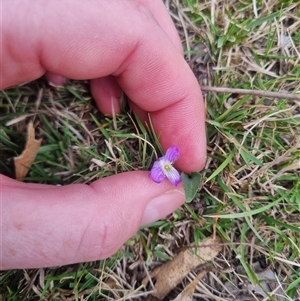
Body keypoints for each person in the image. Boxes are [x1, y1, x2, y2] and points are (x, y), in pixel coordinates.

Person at [0, 0, 206, 270]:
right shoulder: (163, 166)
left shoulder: (168, 165)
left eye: (166, 165)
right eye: (166, 165)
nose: (166, 166)